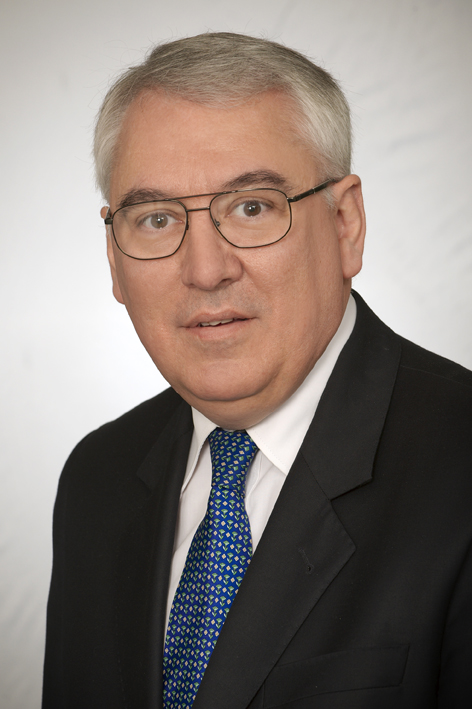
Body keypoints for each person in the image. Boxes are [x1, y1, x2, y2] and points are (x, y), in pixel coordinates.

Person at [42, 32, 472, 708]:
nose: (206, 269)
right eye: (156, 219)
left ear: (345, 224)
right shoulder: (96, 480)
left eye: (251, 207)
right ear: (114, 258)